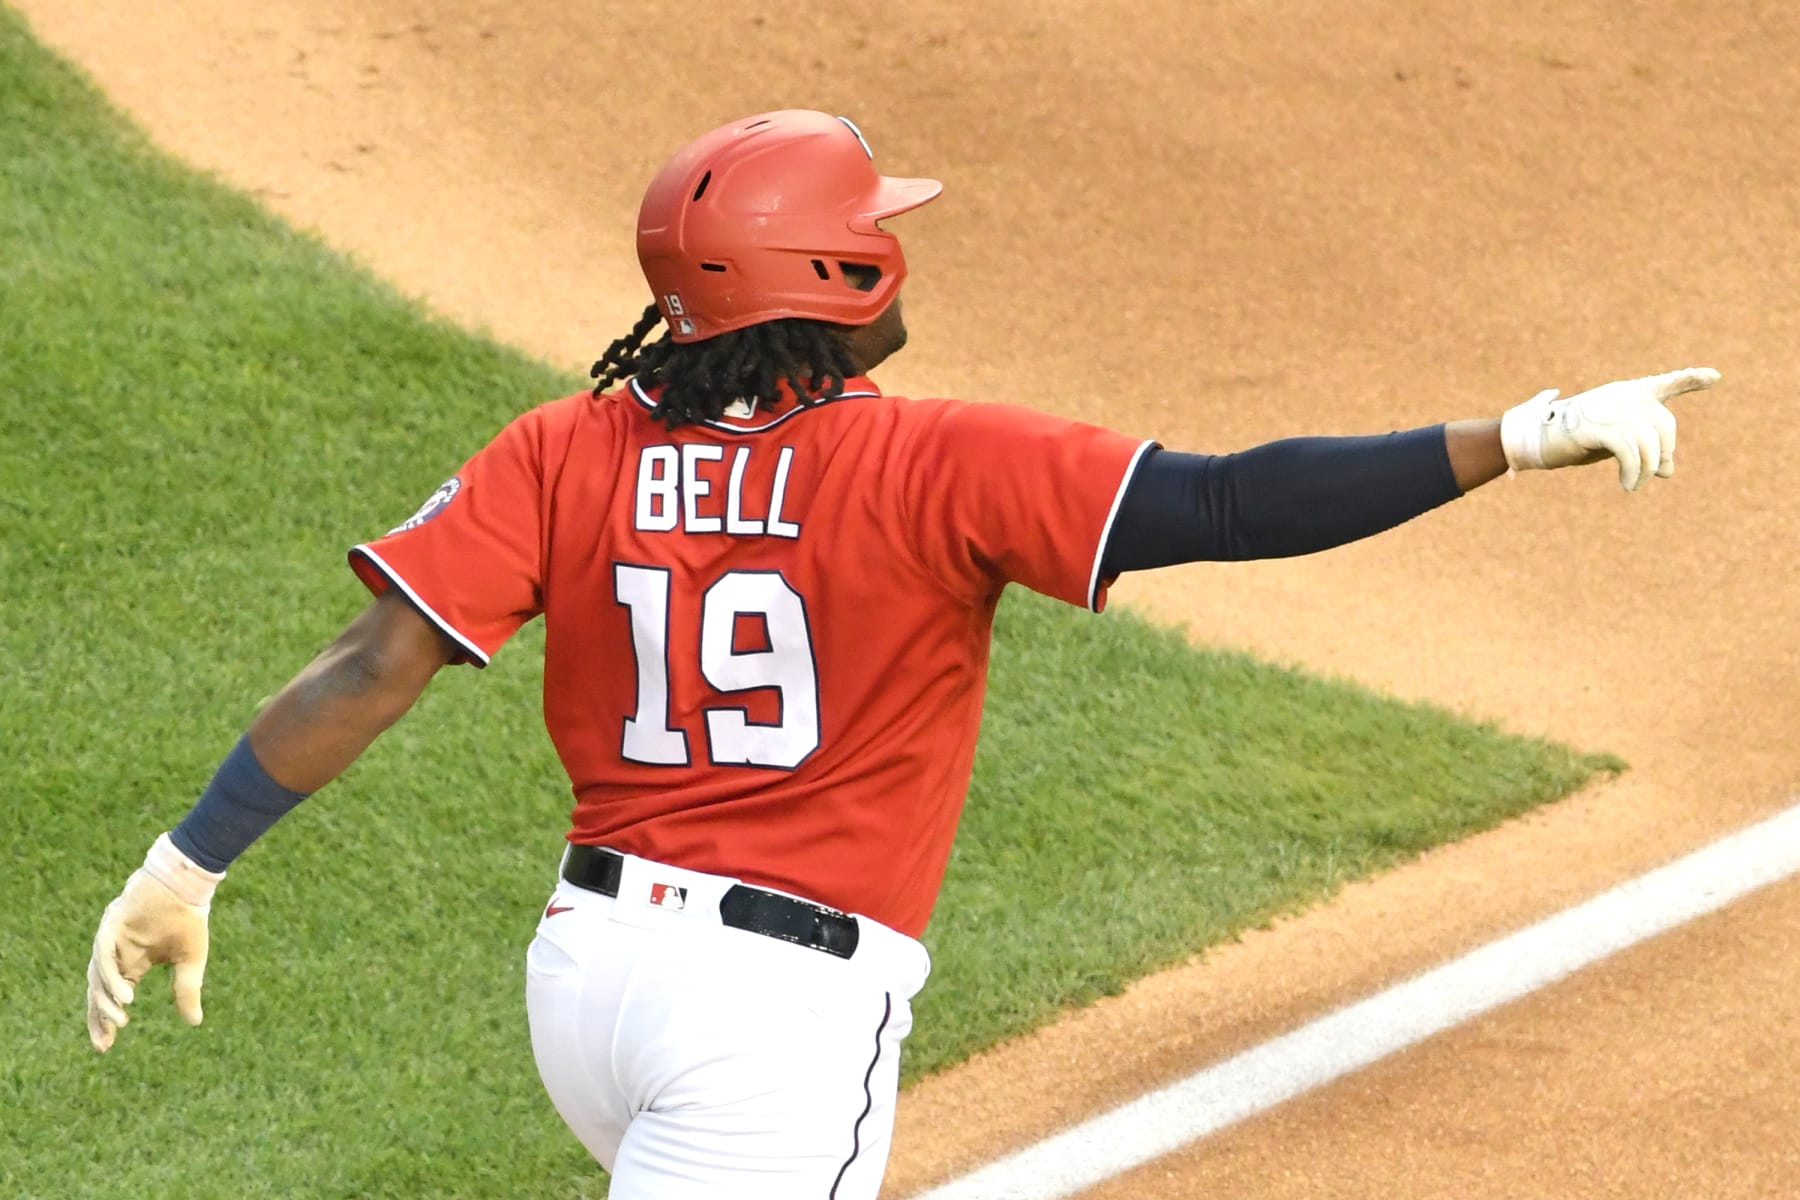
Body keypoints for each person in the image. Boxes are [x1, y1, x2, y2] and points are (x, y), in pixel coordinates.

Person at [83, 109, 1718, 1199]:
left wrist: (185, 860)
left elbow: (374, 665)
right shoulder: (934, 461)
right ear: (840, 275)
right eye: (876, 228)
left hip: (582, 984)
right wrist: (1515, 434)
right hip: (767, 1020)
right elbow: (1230, 502)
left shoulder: (562, 448)